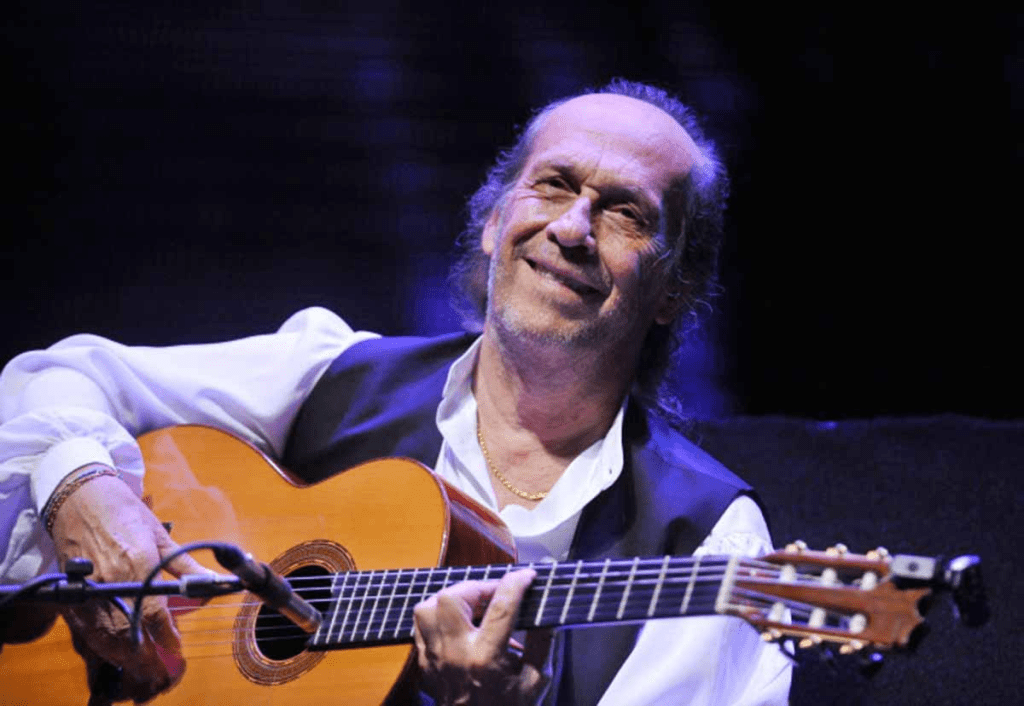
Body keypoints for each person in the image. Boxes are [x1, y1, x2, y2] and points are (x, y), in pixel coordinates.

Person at [0, 79, 792, 704]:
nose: (572, 229)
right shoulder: (334, 373)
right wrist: (80, 488)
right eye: (553, 185)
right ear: (494, 220)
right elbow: (55, 374)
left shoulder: (712, 542)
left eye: (624, 213)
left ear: (674, 290)